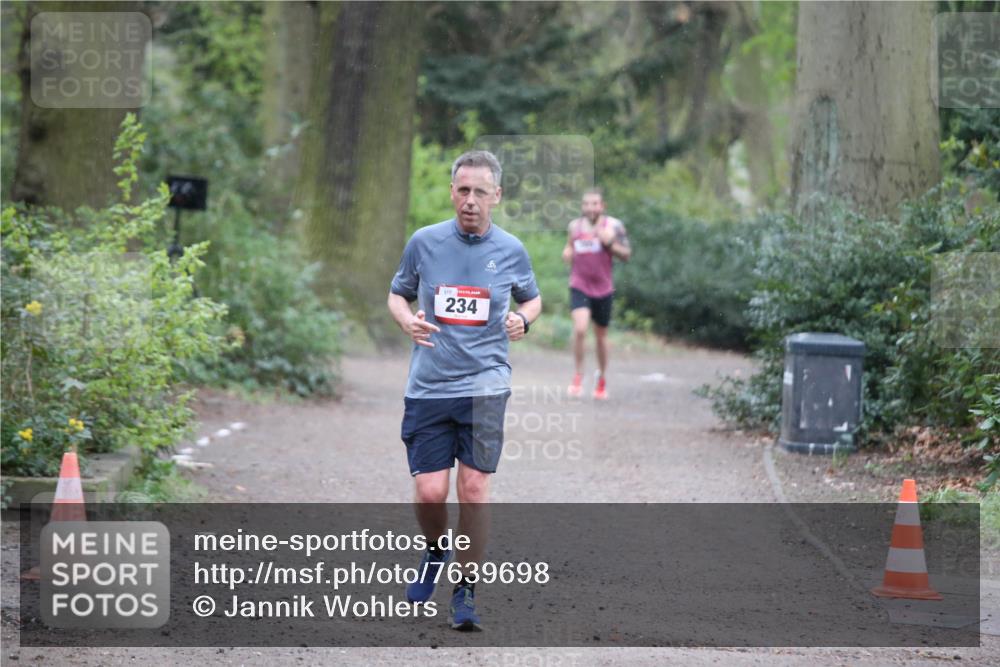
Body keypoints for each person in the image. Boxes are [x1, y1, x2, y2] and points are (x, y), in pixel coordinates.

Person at [387, 150, 542, 631]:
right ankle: (437, 549)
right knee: (429, 492)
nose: (470, 200)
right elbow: (398, 293)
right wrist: (407, 320)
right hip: (430, 385)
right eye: (462, 190)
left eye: (479, 192)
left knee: (473, 489)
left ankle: (465, 590)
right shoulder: (424, 243)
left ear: (496, 196)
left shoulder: (512, 250)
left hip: (486, 384)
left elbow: (533, 299)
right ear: (452, 192)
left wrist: (523, 319)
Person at [561, 188, 631, 400]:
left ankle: (601, 379)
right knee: (580, 329)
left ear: (602, 206)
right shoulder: (575, 226)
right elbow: (569, 249)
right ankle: (578, 375)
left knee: (601, 337)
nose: (590, 208)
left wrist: (609, 242)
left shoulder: (614, 226)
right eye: (586, 204)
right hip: (579, 285)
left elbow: (626, 254)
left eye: (594, 204)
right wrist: (567, 252)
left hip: (603, 289)